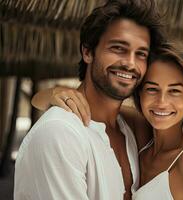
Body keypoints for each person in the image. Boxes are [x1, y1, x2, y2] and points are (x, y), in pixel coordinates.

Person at [32, 42, 183, 199]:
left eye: (174, 91)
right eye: (152, 89)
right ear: (140, 94)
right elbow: (38, 101)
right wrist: (54, 93)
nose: (162, 102)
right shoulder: (141, 130)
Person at [14, 0, 164, 199]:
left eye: (141, 54)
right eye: (118, 48)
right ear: (87, 52)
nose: (130, 63)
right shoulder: (60, 133)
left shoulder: (129, 130)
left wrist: (49, 94)